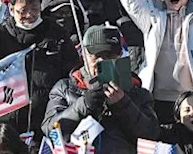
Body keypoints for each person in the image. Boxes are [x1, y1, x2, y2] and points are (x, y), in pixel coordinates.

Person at [0, 0, 81, 140]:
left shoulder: (57, 35)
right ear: (11, 8)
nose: (29, 15)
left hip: (47, 121)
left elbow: (72, 73)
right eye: (23, 11)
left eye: (34, 9)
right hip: (9, 124)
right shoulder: (0, 35)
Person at [43, 23, 161, 154]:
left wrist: (123, 104)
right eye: (97, 55)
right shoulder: (65, 88)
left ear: (120, 55)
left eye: (109, 56)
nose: (102, 61)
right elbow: (50, 129)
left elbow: (151, 135)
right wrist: (84, 105)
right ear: (85, 55)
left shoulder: (136, 91)